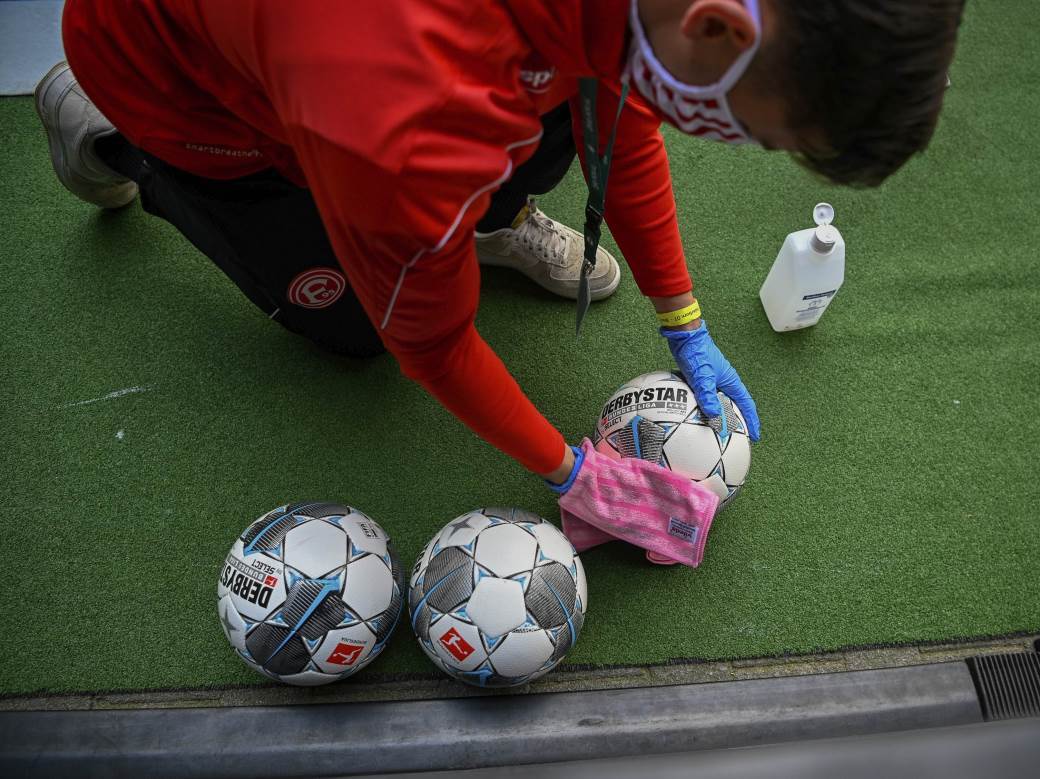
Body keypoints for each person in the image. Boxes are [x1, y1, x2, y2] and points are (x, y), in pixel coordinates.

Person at [36, 0, 963, 561]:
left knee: (541, 131)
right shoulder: (409, 115)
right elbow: (430, 345)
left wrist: (681, 313)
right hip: (184, 77)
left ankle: (461, 220)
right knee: (360, 327)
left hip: (372, 99)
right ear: (718, 26)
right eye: (760, 133)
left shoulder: (656, 22)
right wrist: (574, 472)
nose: (737, 140)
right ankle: (109, 134)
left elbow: (620, 96)